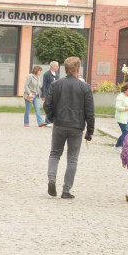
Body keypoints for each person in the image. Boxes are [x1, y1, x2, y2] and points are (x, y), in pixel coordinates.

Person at [44, 56, 95, 200]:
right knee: (72, 159)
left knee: (54, 154)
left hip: (59, 124)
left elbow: (47, 105)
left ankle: (52, 179)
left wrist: (53, 117)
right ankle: (66, 190)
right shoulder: (85, 87)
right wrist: (90, 130)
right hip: (76, 127)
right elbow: (89, 111)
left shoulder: (56, 85)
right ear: (78, 69)